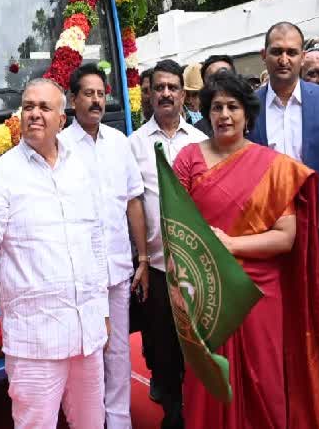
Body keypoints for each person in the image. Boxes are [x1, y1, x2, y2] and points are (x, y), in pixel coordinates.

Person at [0, 78, 110, 428]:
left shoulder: (79, 166)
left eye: (44, 107)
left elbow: (95, 242)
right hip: (36, 344)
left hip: (87, 335)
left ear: (61, 120)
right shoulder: (4, 172)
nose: (34, 114)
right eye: (28, 106)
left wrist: (104, 312)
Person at [175, 72, 319, 428]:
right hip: (208, 291)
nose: (224, 115)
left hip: (260, 292)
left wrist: (230, 244)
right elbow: (176, 226)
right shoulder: (188, 159)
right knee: (209, 385)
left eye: (233, 106)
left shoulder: (272, 167)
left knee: (265, 380)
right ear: (207, 113)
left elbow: (285, 237)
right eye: (217, 107)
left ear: (247, 114)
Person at [248, 22, 319, 429]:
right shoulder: (250, 106)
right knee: (274, 335)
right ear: (264, 56)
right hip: (268, 241)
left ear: (301, 56)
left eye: (292, 52)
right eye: (276, 51)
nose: (285, 59)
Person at [61, 64, 148, 429]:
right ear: (72, 99)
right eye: (88, 94)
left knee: (118, 353)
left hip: (117, 267)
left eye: (100, 94)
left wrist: (143, 257)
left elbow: (133, 201)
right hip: (79, 274)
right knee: (85, 354)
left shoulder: (119, 143)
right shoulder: (59, 146)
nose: (96, 101)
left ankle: (120, 422)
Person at [128, 59, 209, 429]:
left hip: (198, 265)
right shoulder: (134, 145)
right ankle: (173, 415)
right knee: (163, 348)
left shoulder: (201, 142)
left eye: (172, 88)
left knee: (199, 345)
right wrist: (142, 259)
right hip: (158, 266)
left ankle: (200, 413)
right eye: (159, 87)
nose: (165, 94)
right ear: (150, 93)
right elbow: (133, 205)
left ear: (182, 93)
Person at [194, 54, 235, 135]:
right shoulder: (198, 132)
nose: (219, 83)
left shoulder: (254, 118)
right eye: (212, 79)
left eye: (224, 75)